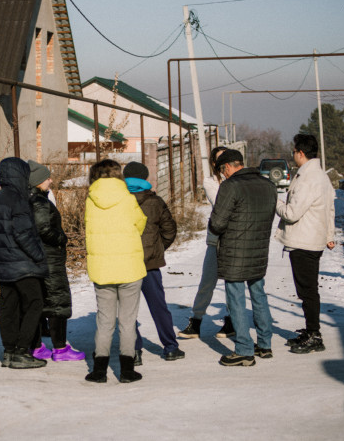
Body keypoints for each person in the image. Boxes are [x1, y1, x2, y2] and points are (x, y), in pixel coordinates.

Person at [209, 149, 277, 367]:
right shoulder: (268, 185)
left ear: (228, 166)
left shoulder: (230, 186)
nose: (223, 176)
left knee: (236, 299)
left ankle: (244, 350)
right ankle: (265, 344)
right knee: (259, 295)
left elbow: (217, 223)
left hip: (234, 252)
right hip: (259, 249)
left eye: (223, 171)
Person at [84, 159, 147, 383]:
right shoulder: (128, 198)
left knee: (104, 322)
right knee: (128, 322)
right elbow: (140, 224)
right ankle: (127, 371)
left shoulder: (91, 200)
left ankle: (99, 371)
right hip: (129, 267)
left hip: (102, 269)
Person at [276, 134, 336, 354]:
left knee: (307, 291)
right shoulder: (320, 176)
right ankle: (311, 331)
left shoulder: (308, 178)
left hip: (304, 241)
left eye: (294, 151)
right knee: (308, 290)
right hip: (312, 239)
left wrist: (275, 202)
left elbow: (292, 213)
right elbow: (330, 208)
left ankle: (314, 335)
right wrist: (329, 235)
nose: (293, 155)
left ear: (301, 153)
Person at [0, 157, 49, 369]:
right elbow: (23, 234)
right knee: (35, 303)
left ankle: (9, 352)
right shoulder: (19, 199)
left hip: (4, 263)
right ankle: (22, 351)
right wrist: (39, 255)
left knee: (9, 307)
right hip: (23, 264)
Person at [122, 161, 184, 364]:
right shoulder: (155, 202)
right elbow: (169, 230)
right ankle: (171, 348)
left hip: (125, 263)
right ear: (145, 178)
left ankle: (134, 351)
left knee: (127, 310)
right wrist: (158, 248)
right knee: (159, 307)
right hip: (150, 264)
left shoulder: (119, 200)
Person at [27, 160, 85, 362]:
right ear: (37, 181)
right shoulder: (39, 201)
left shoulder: (28, 199)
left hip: (38, 258)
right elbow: (43, 229)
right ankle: (60, 349)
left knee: (40, 302)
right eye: (47, 178)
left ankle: (36, 347)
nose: (50, 180)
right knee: (58, 302)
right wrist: (61, 238)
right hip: (50, 258)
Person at [178, 146, 236, 339]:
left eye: (226, 158)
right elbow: (220, 203)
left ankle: (231, 321)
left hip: (235, 238)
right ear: (213, 163)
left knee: (232, 282)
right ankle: (196, 321)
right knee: (207, 281)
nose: (223, 162)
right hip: (216, 238)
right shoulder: (210, 182)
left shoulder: (237, 180)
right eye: (219, 159)